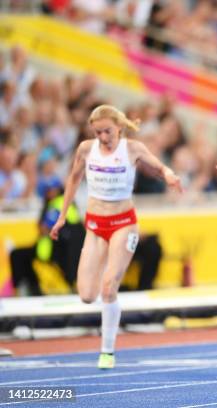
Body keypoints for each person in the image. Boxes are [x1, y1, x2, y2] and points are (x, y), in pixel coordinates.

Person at [50, 104, 182, 369]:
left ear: (119, 128)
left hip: (123, 223)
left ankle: (107, 350)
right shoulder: (86, 149)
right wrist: (62, 216)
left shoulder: (131, 148)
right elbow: (74, 179)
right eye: (97, 133)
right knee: (87, 294)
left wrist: (169, 174)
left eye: (107, 132)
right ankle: (109, 308)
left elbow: (158, 167)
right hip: (96, 225)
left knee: (109, 287)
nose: (102, 138)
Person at [10, 185, 84, 296]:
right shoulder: (68, 203)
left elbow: (44, 228)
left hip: (57, 249)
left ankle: (29, 289)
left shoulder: (58, 204)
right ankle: (33, 288)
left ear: (58, 190)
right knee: (19, 255)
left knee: (17, 255)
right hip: (65, 249)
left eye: (52, 189)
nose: (49, 192)